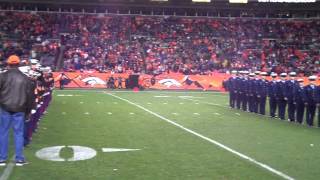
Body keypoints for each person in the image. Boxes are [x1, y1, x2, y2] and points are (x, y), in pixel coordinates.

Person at [0, 55, 35, 166]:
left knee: (3, 132)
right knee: (18, 133)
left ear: (8, 63)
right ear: (19, 64)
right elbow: (30, 96)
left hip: (5, 108)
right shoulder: (25, 78)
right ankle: (19, 158)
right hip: (20, 109)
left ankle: (2, 158)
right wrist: (29, 111)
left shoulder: (2, 76)